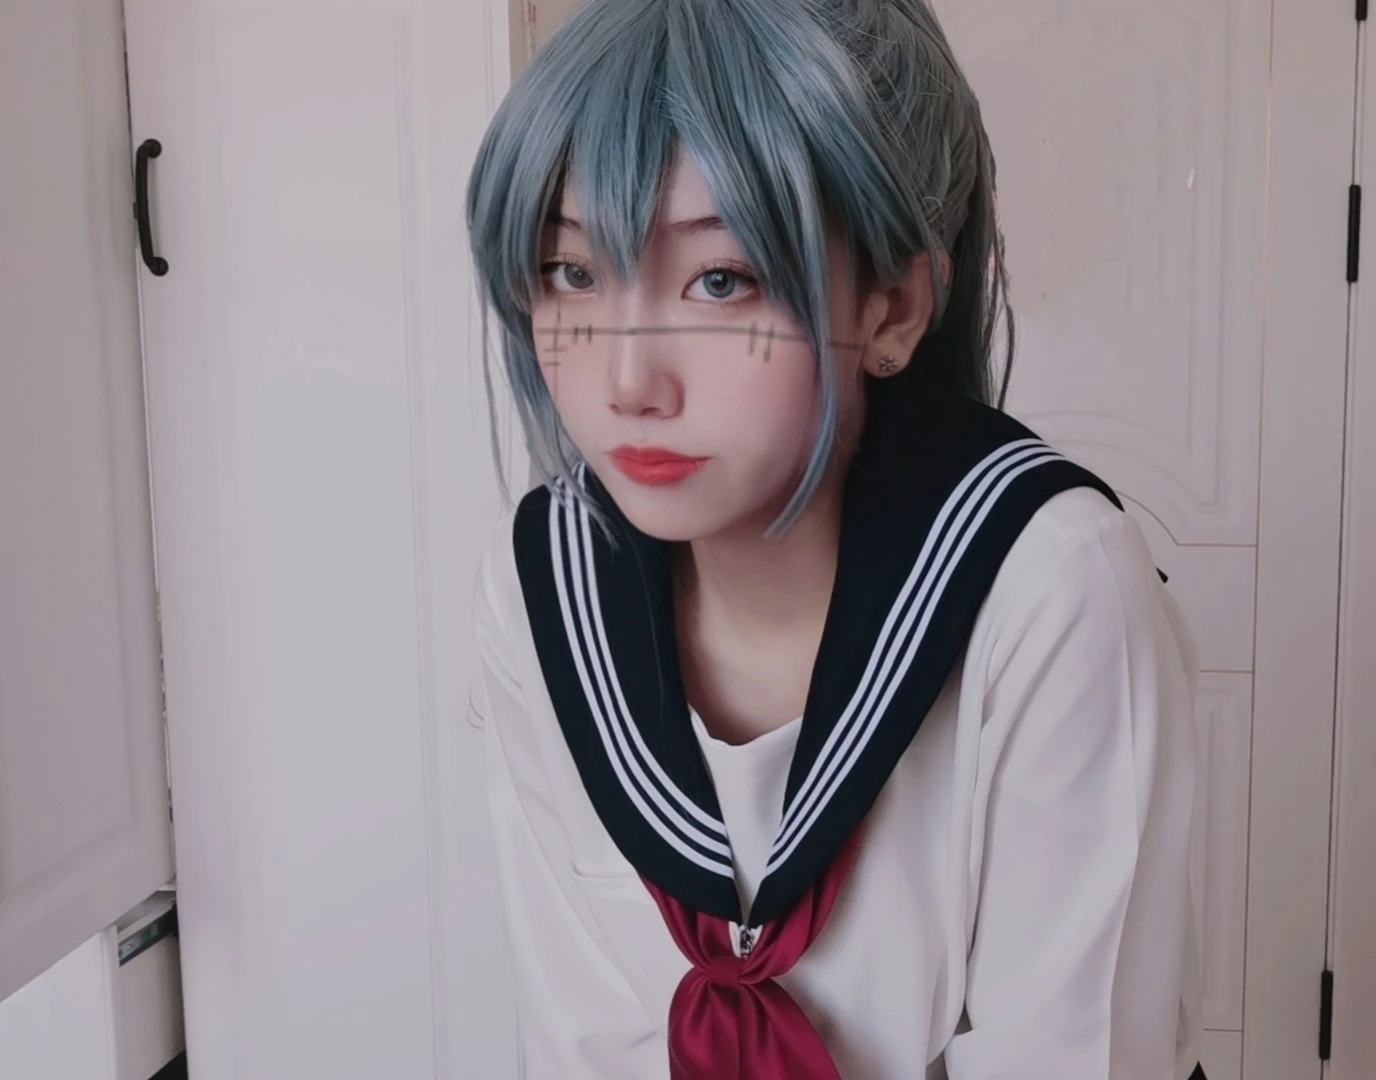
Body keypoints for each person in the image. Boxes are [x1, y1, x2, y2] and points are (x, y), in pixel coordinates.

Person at [463, 0, 1205, 1076]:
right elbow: (584, 1040)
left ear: (892, 309)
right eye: (572, 273)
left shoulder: (1044, 585)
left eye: (721, 280)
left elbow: (1070, 1053)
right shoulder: (543, 590)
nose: (628, 381)